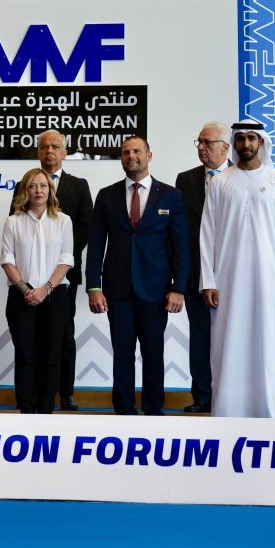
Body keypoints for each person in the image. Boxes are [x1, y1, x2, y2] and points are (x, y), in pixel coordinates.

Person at [200, 120, 275, 418]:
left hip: (269, 280)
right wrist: (208, 280)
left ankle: (269, 413)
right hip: (227, 280)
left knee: (267, 345)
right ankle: (228, 412)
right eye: (241, 138)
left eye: (251, 138)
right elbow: (207, 233)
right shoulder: (220, 182)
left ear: (261, 142)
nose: (246, 144)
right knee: (227, 346)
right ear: (233, 142)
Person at [86, 136, 189, 416]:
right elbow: (95, 244)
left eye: (136, 151)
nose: (131, 156)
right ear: (120, 158)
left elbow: (181, 245)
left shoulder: (170, 195)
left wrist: (179, 288)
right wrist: (93, 286)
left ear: (149, 155)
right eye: (125, 152)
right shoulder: (106, 195)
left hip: (156, 291)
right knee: (122, 354)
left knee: (154, 354)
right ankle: (124, 412)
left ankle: (154, 412)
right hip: (117, 290)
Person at [8, 129, 92, 411]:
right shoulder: (22, 189)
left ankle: (63, 393)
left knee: (62, 340)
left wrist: (52, 277)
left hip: (60, 282)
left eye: (56, 146)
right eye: (44, 147)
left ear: (65, 152)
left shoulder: (78, 187)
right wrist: (28, 287)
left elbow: (83, 230)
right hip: (25, 288)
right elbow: (11, 246)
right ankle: (28, 403)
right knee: (28, 349)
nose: (50, 151)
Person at [1, 168, 74, 413]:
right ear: (25, 191)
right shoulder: (13, 221)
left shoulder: (63, 221)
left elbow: (66, 259)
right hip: (22, 296)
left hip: (55, 296)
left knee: (52, 355)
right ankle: (26, 410)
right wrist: (26, 289)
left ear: (50, 190)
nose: (38, 190)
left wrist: (46, 289)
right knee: (25, 355)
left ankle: (45, 411)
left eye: (43, 186)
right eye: (32, 186)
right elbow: (7, 260)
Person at [174, 121, 231, 414]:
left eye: (207, 143)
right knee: (200, 339)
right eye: (198, 142)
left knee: (234, 338)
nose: (201, 148)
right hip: (197, 275)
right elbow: (179, 233)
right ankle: (202, 397)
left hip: (236, 276)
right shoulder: (185, 180)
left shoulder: (241, 177)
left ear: (225, 147)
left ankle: (233, 395)